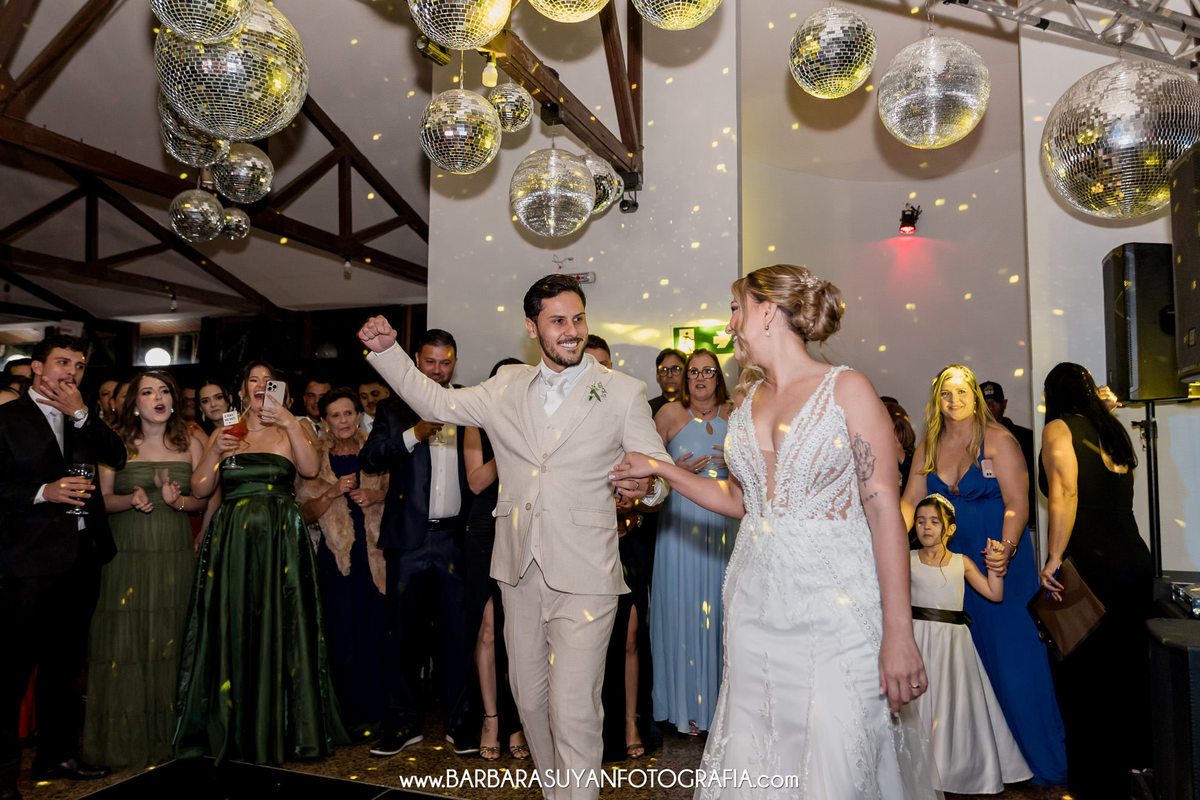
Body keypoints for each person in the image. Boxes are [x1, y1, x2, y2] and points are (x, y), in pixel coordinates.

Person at [613, 265, 937, 798]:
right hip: (754, 603)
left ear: (767, 311)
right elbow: (742, 501)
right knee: (759, 745)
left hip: (834, 605)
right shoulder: (747, 402)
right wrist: (660, 468)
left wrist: (900, 631)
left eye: (735, 309)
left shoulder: (848, 390)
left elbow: (884, 512)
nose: (729, 324)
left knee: (835, 747)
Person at [359, 273, 672, 800]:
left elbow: (658, 472)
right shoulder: (504, 386)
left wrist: (649, 487)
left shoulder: (623, 391)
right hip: (518, 568)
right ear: (532, 328)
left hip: (587, 571)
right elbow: (436, 405)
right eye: (558, 321)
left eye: (578, 318)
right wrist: (389, 353)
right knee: (529, 702)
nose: (572, 331)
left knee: (574, 707)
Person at [901, 364, 1066, 786]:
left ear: (974, 396)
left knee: (1013, 662)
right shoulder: (929, 445)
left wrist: (1006, 548)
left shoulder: (998, 440)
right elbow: (910, 502)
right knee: (960, 664)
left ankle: (1037, 761)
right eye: (945, 393)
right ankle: (976, 763)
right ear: (936, 400)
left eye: (961, 392)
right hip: (951, 569)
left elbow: (1018, 503)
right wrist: (889, 541)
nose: (953, 400)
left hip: (998, 564)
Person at [176, 362, 347, 764]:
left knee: (281, 621)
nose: (260, 385)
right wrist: (215, 450)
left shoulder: (292, 427)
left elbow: (309, 469)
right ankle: (233, 723)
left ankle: (287, 727)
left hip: (280, 538)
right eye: (252, 379)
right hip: (232, 541)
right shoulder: (225, 431)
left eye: (268, 380)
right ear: (241, 391)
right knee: (234, 623)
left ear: (280, 390)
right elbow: (200, 488)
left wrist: (287, 420)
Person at [0, 335, 126, 799]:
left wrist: (81, 414)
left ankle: (57, 755)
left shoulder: (83, 418)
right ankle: (2, 775)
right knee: (13, 671)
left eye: (78, 365)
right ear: (37, 366)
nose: (70, 372)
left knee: (65, 665)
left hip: (82, 558)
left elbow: (117, 455)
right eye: (61, 362)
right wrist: (42, 492)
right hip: (28, 563)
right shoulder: (7, 419)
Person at [359, 330, 476, 758]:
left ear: (454, 362)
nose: (438, 370)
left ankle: (460, 723)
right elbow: (370, 459)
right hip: (407, 540)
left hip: (455, 538)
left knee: (458, 636)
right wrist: (414, 434)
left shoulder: (467, 403)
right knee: (402, 636)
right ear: (415, 360)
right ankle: (403, 723)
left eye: (446, 362)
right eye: (430, 362)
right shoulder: (394, 408)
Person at [82, 370, 207, 769]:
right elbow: (100, 500)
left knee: (172, 639)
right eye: (148, 392)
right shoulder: (115, 442)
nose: (158, 398)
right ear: (133, 402)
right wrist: (130, 499)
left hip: (173, 551)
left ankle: (172, 737)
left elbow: (203, 500)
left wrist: (176, 502)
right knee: (124, 643)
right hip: (127, 553)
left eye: (164, 391)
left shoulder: (191, 442)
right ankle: (124, 742)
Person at [1039, 362, 1152, 799]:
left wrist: (1053, 558)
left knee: (1084, 677)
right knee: (1126, 672)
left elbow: (1066, 492)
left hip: (1090, 565)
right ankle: (1131, 776)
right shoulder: (1113, 431)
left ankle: (1093, 783)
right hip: (1132, 561)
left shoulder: (1058, 429)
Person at [910, 493, 1031, 794]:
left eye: (934, 521)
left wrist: (994, 565)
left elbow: (995, 594)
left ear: (950, 529)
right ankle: (917, 770)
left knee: (951, 704)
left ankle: (951, 771)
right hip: (918, 640)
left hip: (953, 645)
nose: (926, 527)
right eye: (920, 521)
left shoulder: (960, 563)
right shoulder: (907, 560)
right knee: (920, 704)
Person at [649, 348, 737, 736]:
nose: (700, 378)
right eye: (693, 372)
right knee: (683, 612)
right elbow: (646, 475)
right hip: (680, 530)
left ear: (719, 377)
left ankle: (722, 710)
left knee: (723, 615)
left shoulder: (735, 413)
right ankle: (685, 708)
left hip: (724, 529)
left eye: (708, 371)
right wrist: (673, 471)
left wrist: (735, 466)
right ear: (686, 380)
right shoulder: (669, 415)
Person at [297, 388, 388, 736]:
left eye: (348, 413)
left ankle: (378, 713)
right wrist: (332, 492)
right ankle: (345, 716)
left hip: (376, 556)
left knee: (375, 631)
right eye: (335, 415)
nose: (344, 420)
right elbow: (304, 512)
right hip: (336, 558)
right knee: (342, 633)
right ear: (324, 420)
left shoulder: (376, 450)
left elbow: (399, 493)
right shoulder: (312, 460)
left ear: (358, 414)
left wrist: (376, 495)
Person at [462, 358, 529, 762]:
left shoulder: (537, 421)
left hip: (524, 527)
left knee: (519, 633)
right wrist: (507, 441)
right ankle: (491, 718)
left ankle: (519, 722)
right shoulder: (478, 423)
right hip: (485, 529)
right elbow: (476, 482)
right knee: (487, 629)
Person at [980, 380, 1037, 529]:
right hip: (981, 519)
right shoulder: (967, 440)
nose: (990, 406)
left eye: (994, 402)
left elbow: (1032, 481)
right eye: (985, 402)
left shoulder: (1026, 437)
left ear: (1004, 404)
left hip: (1021, 521)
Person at [648, 348, 684, 416]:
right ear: (657, 376)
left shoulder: (697, 407)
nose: (669, 375)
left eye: (675, 369)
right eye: (664, 370)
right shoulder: (648, 410)